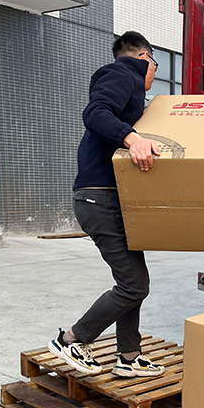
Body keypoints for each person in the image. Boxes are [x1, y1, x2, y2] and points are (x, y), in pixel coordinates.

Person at [48, 31, 165, 379]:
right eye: (155, 64)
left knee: (134, 282)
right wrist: (132, 138)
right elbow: (95, 112)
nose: (154, 71)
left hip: (112, 198)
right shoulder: (123, 73)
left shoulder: (132, 87)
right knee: (133, 285)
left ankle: (129, 356)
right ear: (144, 57)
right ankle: (71, 339)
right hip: (99, 198)